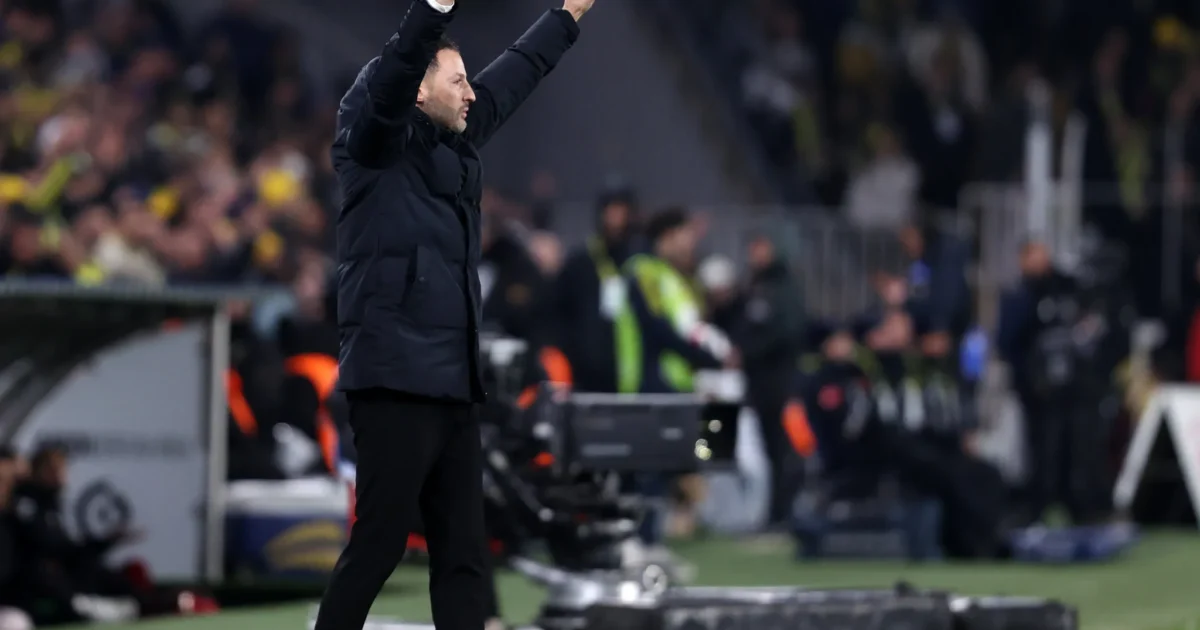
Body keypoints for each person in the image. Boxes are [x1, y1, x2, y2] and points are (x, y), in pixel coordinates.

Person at [318, 1, 593, 630]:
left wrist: (567, 14)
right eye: (459, 80)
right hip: (395, 375)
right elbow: (393, 74)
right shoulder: (374, 144)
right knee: (380, 543)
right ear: (419, 90)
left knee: (465, 555)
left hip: (451, 378)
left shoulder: (454, 143)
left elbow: (517, 74)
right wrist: (432, 9)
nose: (472, 92)